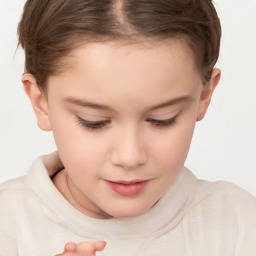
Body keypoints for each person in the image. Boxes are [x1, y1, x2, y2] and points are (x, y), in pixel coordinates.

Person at [0, 0, 256, 255]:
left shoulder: (239, 225)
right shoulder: (8, 226)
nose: (130, 156)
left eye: (162, 118)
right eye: (94, 121)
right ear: (40, 102)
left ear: (204, 96)